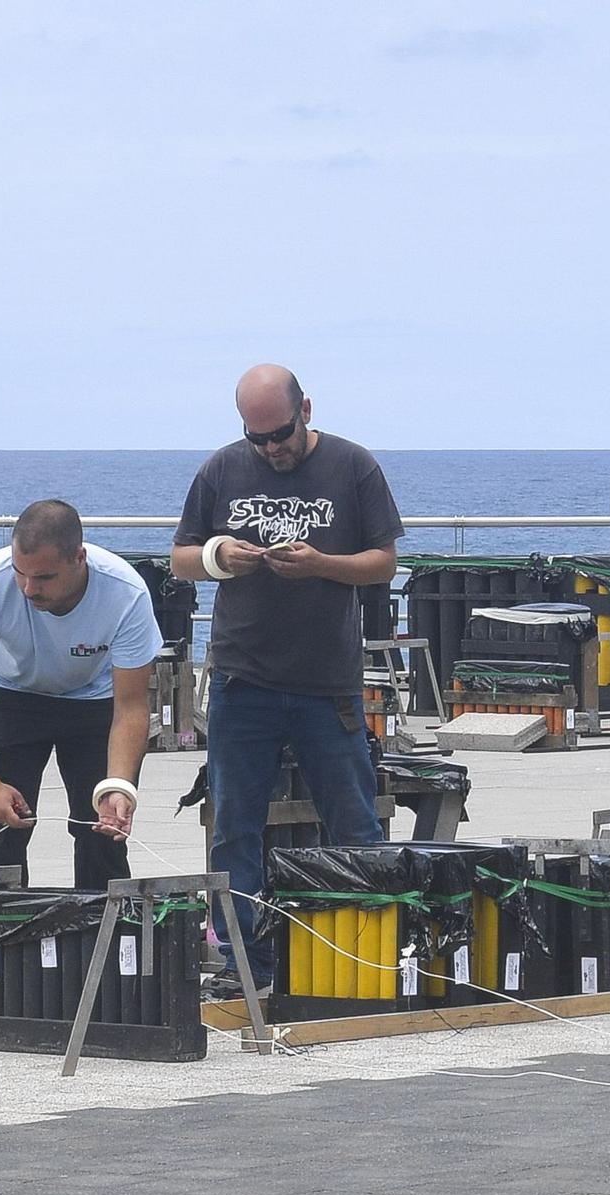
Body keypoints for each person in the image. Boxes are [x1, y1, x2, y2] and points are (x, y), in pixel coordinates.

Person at [172, 364, 404, 994]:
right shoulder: (221, 470)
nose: (271, 449)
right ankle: (246, 963)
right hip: (242, 681)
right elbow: (180, 558)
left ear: (306, 409)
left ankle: (365, 957)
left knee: (353, 822)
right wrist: (223, 556)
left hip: (327, 685)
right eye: (257, 439)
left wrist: (322, 565)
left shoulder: (354, 467)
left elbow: (384, 560)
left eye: (279, 434)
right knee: (234, 829)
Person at [0, 499, 164, 891]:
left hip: (94, 699)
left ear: (79, 557)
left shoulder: (125, 593)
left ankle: (106, 948)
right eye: (20, 573)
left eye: (44, 577)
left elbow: (131, 707)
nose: (29, 589)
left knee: (103, 831)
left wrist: (119, 785)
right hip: (12, 693)